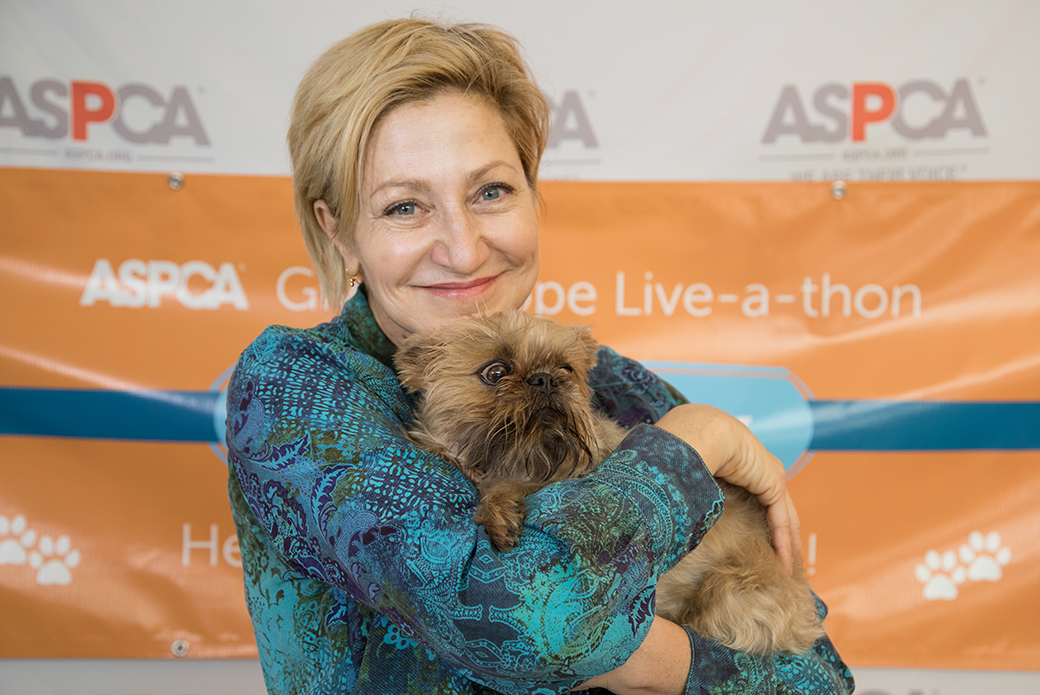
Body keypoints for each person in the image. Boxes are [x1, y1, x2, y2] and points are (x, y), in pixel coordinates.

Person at [226, 17, 854, 695]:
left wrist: (638, 652)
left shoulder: (613, 384)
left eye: (491, 191)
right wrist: (694, 441)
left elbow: (819, 678)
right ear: (338, 231)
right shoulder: (296, 388)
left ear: (532, 194)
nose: (463, 249)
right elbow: (522, 622)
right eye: (405, 206)